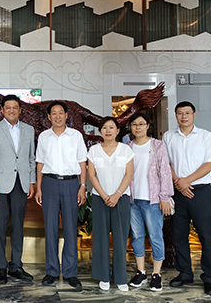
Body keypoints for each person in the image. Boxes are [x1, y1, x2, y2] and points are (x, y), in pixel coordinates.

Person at [163, 101, 211, 296]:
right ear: (175, 116)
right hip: (178, 192)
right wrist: (179, 182)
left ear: (194, 115)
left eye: (187, 113)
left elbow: (209, 164)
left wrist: (186, 181)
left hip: (200, 192)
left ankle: (210, 277)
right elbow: (166, 163)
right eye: (180, 113)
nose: (184, 116)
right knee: (179, 236)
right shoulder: (168, 136)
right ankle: (185, 273)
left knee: (206, 236)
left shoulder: (205, 136)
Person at [35, 101, 87, 290]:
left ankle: (71, 272)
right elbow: (40, 163)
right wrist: (39, 188)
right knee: (50, 228)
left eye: (60, 113)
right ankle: (51, 271)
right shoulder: (44, 137)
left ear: (66, 115)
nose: (57, 116)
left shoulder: (76, 136)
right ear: (49, 117)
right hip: (49, 183)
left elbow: (82, 162)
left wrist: (82, 186)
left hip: (71, 184)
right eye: (54, 113)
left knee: (71, 228)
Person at [0, 94, 36, 284]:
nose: (11, 110)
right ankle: (1, 267)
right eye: (8, 107)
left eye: (15, 107)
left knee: (18, 225)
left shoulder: (29, 130)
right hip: (0, 184)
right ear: (2, 110)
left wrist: (31, 181)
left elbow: (31, 158)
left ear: (20, 110)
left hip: (21, 183)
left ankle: (16, 266)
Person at [126, 112, 174, 292]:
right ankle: (141, 271)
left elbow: (165, 172)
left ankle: (156, 274)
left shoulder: (157, 145)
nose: (137, 127)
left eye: (141, 124)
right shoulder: (128, 147)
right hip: (133, 200)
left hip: (152, 200)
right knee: (137, 236)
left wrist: (165, 197)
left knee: (155, 236)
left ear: (148, 126)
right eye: (134, 124)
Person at [87, 116, 134, 292]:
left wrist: (116, 194)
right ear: (100, 131)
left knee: (120, 238)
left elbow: (129, 174)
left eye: (111, 127)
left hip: (121, 198)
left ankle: (121, 278)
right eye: (104, 127)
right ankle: (104, 276)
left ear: (118, 131)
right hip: (100, 198)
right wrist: (105, 195)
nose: (108, 130)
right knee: (100, 238)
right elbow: (92, 175)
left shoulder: (126, 150)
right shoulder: (94, 150)